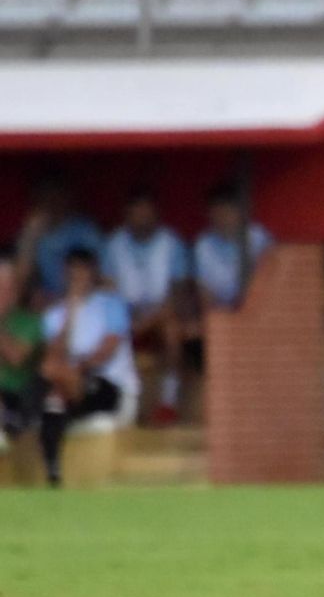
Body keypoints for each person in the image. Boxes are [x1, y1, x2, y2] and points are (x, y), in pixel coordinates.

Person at [39, 248, 139, 487]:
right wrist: (70, 312)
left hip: (109, 385)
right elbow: (54, 354)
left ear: (93, 273)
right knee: (53, 397)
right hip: (72, 389)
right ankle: (53, 472)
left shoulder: (111, 304)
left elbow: (106, 351)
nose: (78, 278)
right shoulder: (55, 314)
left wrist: (76, 369)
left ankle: (68, 395)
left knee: (57, 387)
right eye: (72, 273)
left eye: (83, 272)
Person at [104, 187, 193, 426]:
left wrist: (147, 321)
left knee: (173, 330)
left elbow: (177, 296)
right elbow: (108, 292)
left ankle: (168, 403)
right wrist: (127, 320)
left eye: (147, 211)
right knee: (105, 332)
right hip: (124, 314)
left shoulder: (171, 242)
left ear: (156, 213)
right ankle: (116, 406)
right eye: (136, 211)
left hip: (161, 313)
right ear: (127, 214)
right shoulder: (114, 244)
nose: (142, 217)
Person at [15, 172, 103, 305]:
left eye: (56, 195)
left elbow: (100, 277)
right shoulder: (33, 233)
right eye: (45, 197)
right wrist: (30, 236)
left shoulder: (85, 230)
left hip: (84, 301)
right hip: (45, 305)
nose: (52, 202)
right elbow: (18, 283)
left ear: (67, 197)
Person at [193, 184, 273, 313]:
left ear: (240, 211)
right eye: (216, 213)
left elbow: (272, 278)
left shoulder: (260, 238)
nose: (222, 218)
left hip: (259, 311)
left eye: (227, 212)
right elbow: (203, 291)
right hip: (221, 313)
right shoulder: (203, 245)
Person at [0, 254, 45, 453]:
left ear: (15, 292)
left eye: (5, 289)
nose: (2, 295)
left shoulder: (30, 322)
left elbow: (16, 358)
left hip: (16, 397)